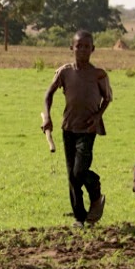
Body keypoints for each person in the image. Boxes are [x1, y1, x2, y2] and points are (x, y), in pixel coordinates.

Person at [42, 30, 113, 228]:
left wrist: (98, 116)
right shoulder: (64, 72)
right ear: (71, 47)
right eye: (78, 46)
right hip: (68, 128)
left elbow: (107, 98)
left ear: (93, 49)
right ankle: (79, 218)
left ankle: (96, 192)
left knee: (79, 171)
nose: (82, 50)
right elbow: (48, 94)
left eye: (86, 46)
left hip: (88, 129)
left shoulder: (98, 74)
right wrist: (47, 117)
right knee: (72, 175)